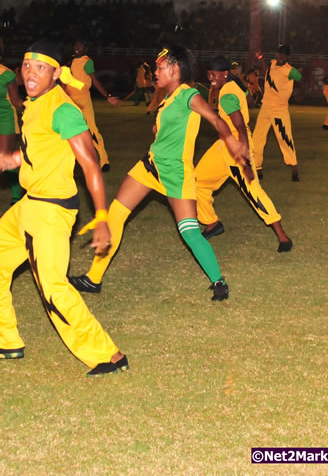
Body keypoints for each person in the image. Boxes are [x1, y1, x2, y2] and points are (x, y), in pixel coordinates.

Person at [68, 45, 251, 301]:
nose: (155, 72)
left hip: (177, 174)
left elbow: (216, 119)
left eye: (160, 67)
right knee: (117, 213)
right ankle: (93, 279)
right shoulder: (168, 97)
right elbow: (168, 129)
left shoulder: (188, 94)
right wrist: (159, 131)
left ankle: (218, 281)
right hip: (150, 166)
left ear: (175, 69)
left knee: (189, 232)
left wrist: (232, 142)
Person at [0, 40, 127, 376]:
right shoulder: (34, 103)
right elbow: (39, 150)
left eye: (40, 67)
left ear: (56, 74)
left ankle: (109, 356)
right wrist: (12, 159)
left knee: (53, 287)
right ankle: (6, 339)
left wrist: (101, 217)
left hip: (50, 211)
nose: (30, 73)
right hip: (29, 203)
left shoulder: (63, 110)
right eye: (27, 65)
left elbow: (91, 165)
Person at [195, 56, 292, 251]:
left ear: (225, 74)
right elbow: (246, 95)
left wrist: (246, 162)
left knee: (253, 191)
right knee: (196, 181)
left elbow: (240, 128)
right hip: (223, 144)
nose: (210, 78)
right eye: (208, 75)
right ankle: (212, 223)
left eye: (214, 75)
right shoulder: (233, 85)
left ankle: (283, 236)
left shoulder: (227, 95)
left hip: (236, 146)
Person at [65, 39, 121, 172]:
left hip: (83, 100)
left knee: (92, 130)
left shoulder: (87, 61)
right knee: (68, 131)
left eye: (80, 45)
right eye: (75, 45)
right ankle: (69, 163)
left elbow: (94, 80)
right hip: (70, 101)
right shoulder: (71, 62)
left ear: (85, 49)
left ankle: (104, 160)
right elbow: (65, 81)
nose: (77, 47)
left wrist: (107, 96)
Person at [252, 45, 302, 182]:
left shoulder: (289, 70)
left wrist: (299, 94)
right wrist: (260, 58)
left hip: (279, 110)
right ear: (277, 54)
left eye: (284, 56)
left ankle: (294, 169)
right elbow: (265, 71)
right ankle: (257, 167)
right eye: (280, 54)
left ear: (287, 57)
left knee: (285, 139)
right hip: (265, 107)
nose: (281, 57)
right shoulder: (272, 64)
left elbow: (300, 78)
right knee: (257, 138)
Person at [0, 58, 23, 204]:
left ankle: (16, 193)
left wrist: (34, 105)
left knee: (3, 159)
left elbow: (15, 100)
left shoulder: (7, 74)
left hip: (5, 117)